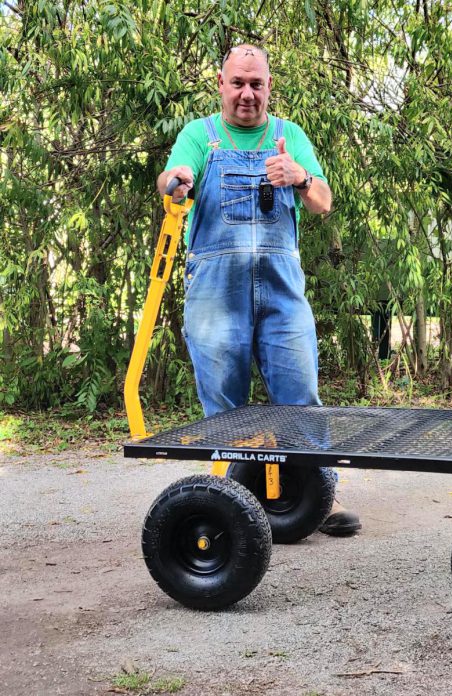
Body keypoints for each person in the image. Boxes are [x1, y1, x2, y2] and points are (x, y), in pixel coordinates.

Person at [157, 44, 360, 536]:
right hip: (215, 292)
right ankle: (230, 512)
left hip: (281, 292)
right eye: (238, 83)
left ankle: (315, 502)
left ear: (269, 87)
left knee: (301, 398)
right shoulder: (199, 137)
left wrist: (301, 176)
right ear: (221, 84)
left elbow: (323, 203)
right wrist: (177, 181)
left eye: (257, 84)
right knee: (224, 408)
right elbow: (169, 179)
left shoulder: (289, 136)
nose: (247, 93)